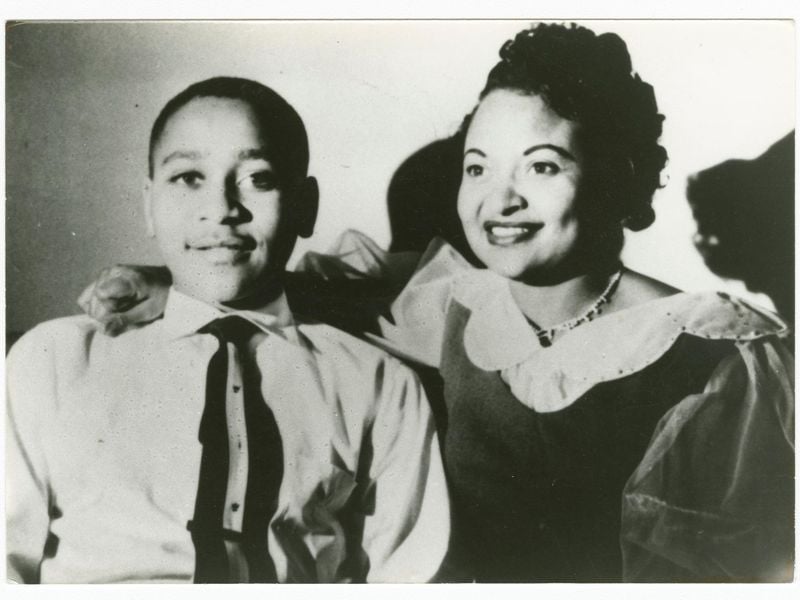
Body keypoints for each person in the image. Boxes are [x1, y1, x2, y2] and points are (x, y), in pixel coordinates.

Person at [76, 24, 794, 583]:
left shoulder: (716, 351)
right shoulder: (454, 300)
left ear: (617, 175)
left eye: (542, 166)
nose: (498, 199)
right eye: (477, 167)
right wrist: (167, 279)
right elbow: (291, 290)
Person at [6, 77, 449, 584]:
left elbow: (407, 577)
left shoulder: (379, 384)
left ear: (305, 206)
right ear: (148, 203)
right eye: (188, 177)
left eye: (258, 178)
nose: (221, 209)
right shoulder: (52, 361)